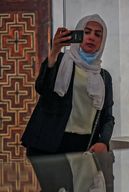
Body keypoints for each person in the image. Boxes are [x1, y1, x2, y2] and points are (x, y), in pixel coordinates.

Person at [21, 14, 114, 155]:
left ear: (103, 41)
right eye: (86, 32)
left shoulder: (103, 77)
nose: (91, 37)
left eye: (98, 34)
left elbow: (107, 117)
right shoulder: (60, 62)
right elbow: (42, 87)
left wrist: (104, 141)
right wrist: (54, 52)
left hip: (84, 145)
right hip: (49, 143)